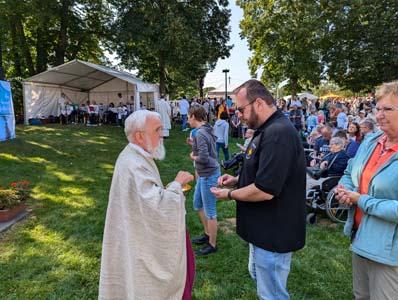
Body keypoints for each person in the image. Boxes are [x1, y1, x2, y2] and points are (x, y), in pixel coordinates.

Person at [211, 79, 306, 300]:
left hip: (274, 233)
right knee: (259, 278)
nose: (238, 115)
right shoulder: (266, 129)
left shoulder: (278, 134)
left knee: (272, 294)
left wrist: (229, 194)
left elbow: (265, 189)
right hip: (263, 231)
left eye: (241, 109)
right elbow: (265, 173)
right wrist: (236, 179)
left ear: (259, 103)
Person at [99, 110, 195, 300]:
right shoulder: (133, 163)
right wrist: (177, 183)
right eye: (157, 130)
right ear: (140, 136)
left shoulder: (135, 155)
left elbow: (146, 197)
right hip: (140, 238)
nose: (162, 135)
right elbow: (156, 207)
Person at [335, 80, 398, 300]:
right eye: (377, 108)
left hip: (389, 253)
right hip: (360, 238)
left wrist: (361, 200)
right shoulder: (372, 140)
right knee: (361, 295)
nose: (379, 115)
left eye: (388, 109)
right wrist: (345, 190)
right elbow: (349, 172)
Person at [188, 106, 221, 256]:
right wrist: (193, 144)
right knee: (197, 204)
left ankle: (212, 244)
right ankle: (207, 234)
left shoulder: (201, 133)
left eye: (188, 116)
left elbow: (203, 158)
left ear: (193, 116)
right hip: (205, 175)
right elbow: (206, 146)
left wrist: (193, 156)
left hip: (209, 175)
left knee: (210, 212)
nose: (187, 119)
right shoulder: (206, 128)